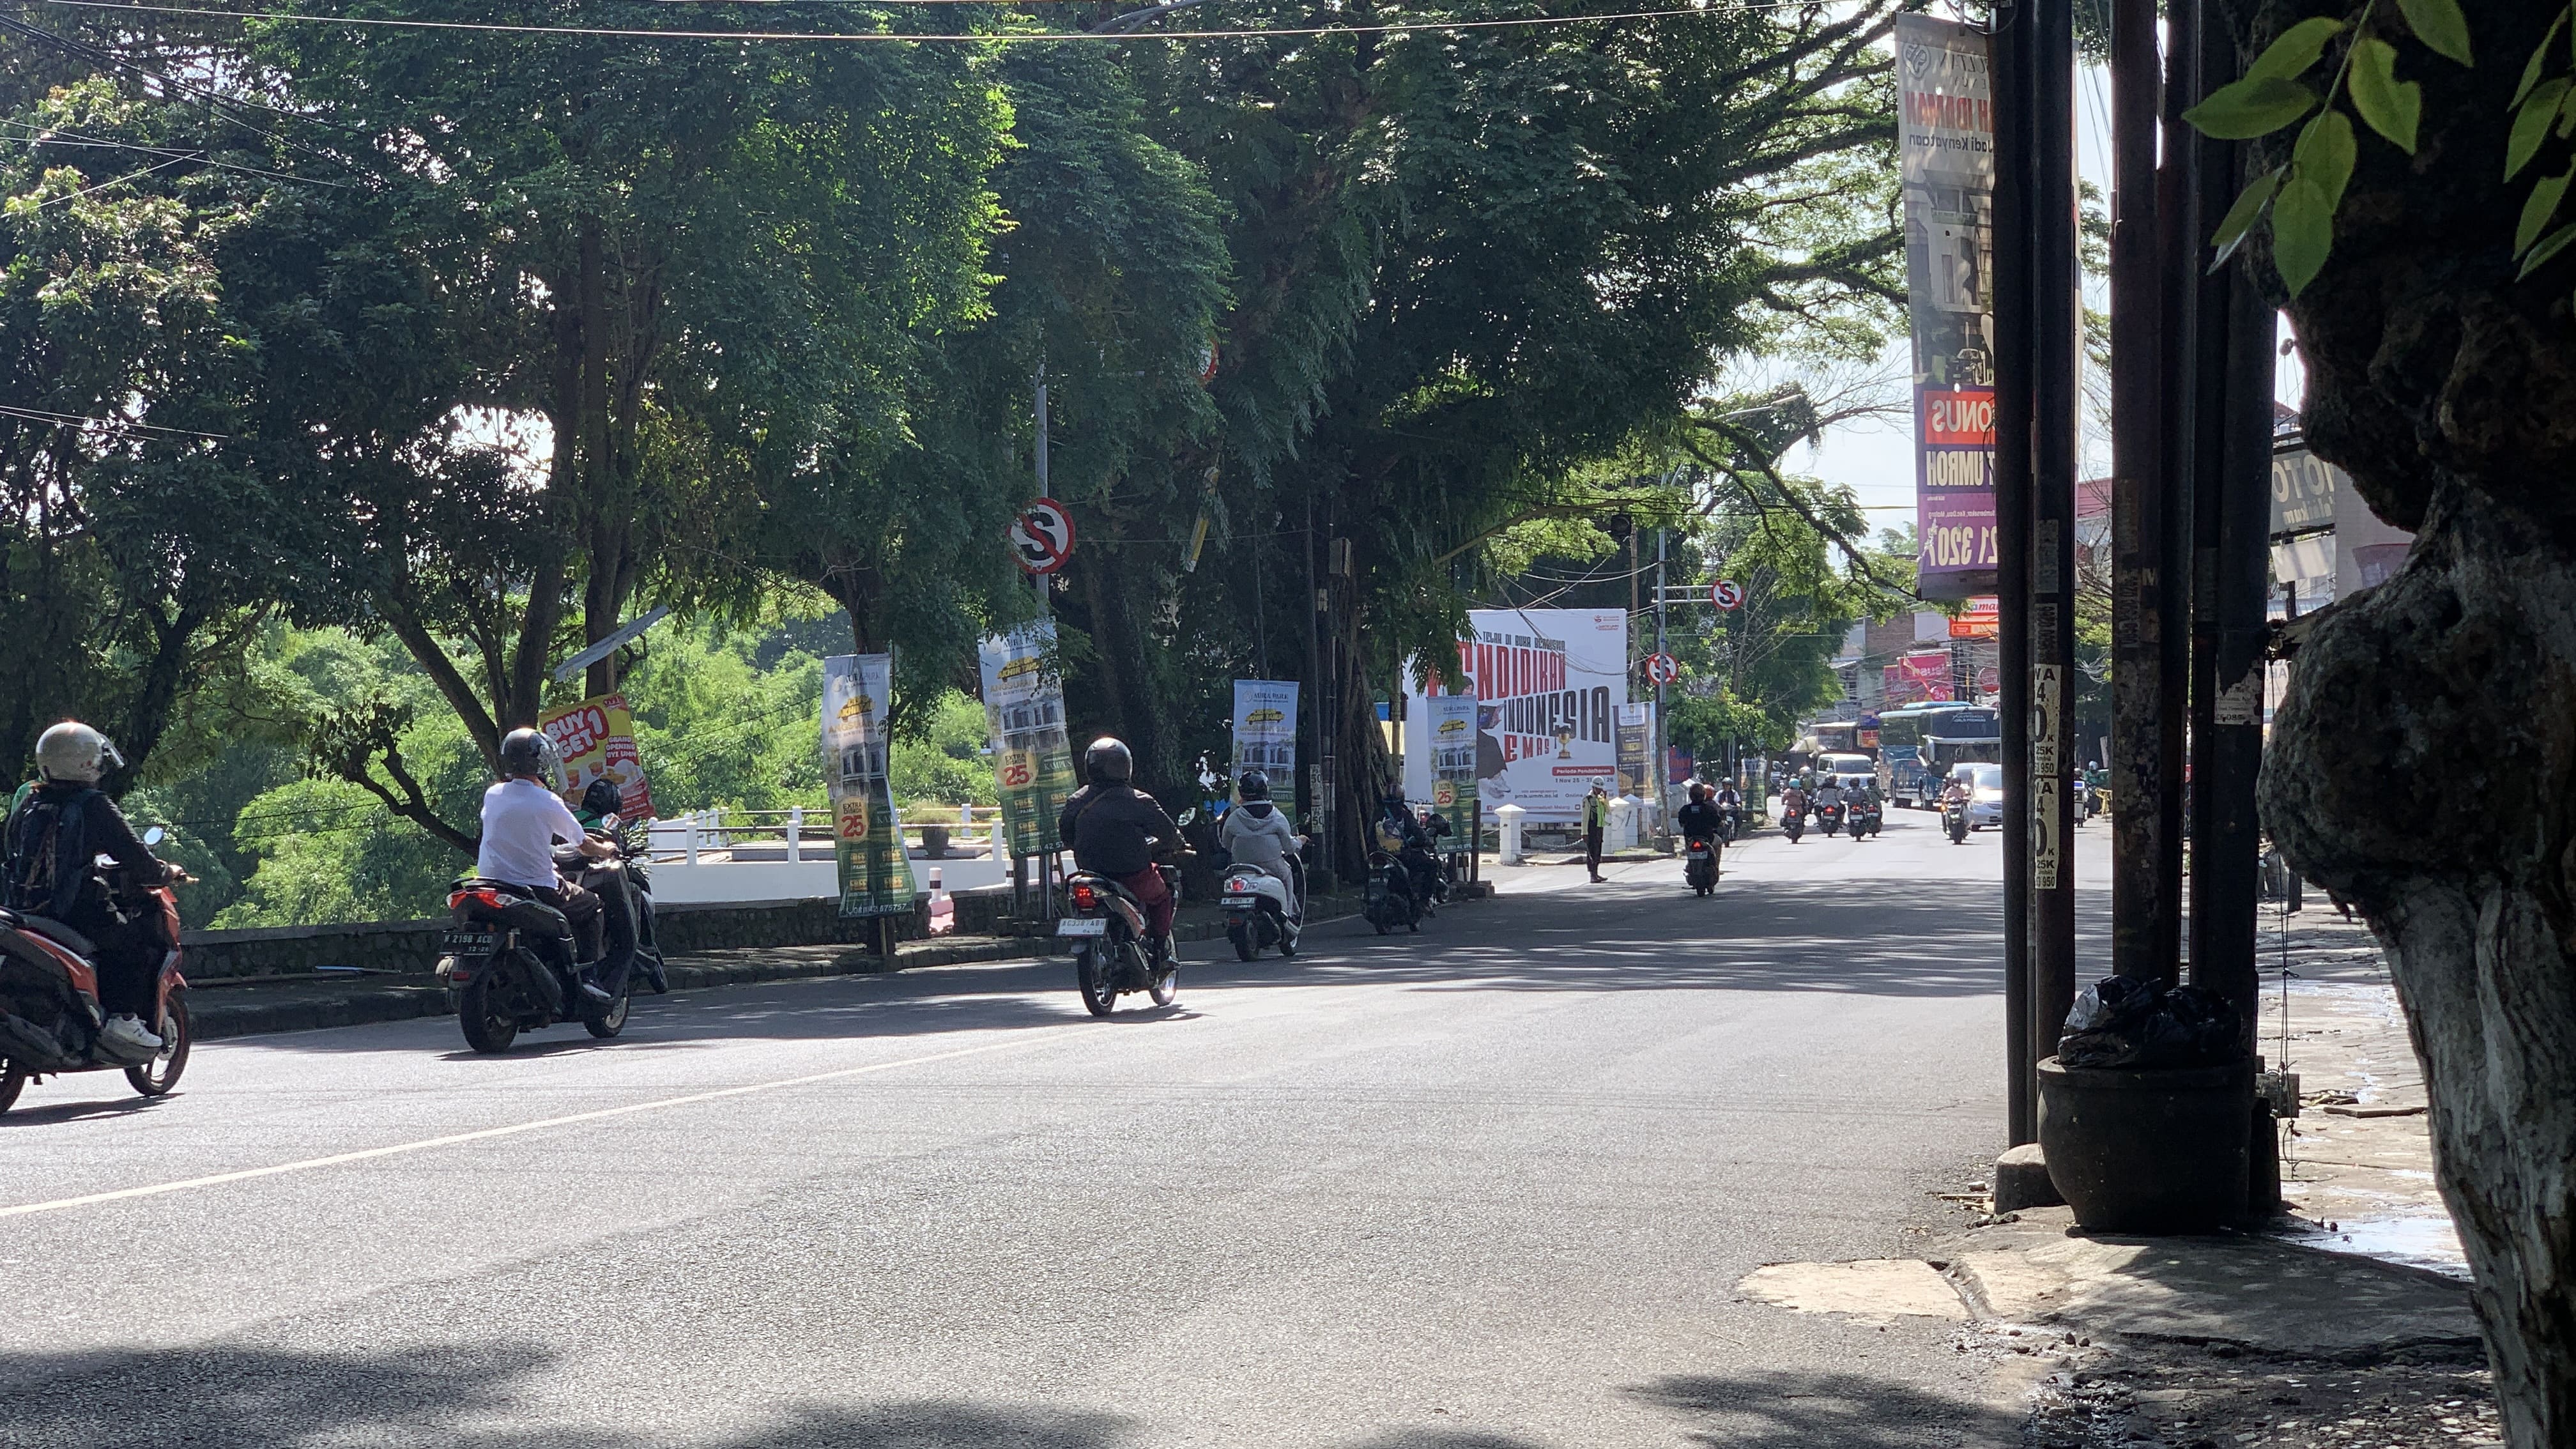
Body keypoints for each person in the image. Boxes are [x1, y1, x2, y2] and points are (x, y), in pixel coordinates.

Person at [3, 722, 183, 1057]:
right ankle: (123, 1019)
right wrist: (165, 872)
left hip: (21, 908)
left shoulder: (28, 802)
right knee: (134, 944)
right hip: (72, 911)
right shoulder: (93, 805)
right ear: (88, 763)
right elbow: (138, 860)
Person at [479, 729, 616, 999]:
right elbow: (583, 844)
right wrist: (606, 850)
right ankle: (589, 975)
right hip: (536, 888)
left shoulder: (493, 794)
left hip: (491, 885)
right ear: (538, 762)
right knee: (593, 904)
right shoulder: (547, 800)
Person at [1058, 737, 1184, 963]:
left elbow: (1067, 837)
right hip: (1133, 876)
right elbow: (1168, 833)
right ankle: (1159, 948)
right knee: (1163, 896)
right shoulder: (1139, 801)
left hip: (1090, 874)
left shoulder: (1075, 800)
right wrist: (1178, 843)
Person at [1217, 769, 1303, 917]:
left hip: (1242, 866)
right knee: (1287, 876)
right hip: (1273, 866)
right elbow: (1289, 848)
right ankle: (1288, 914)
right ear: (1265, 789)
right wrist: (1300, 842)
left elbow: (1226, 843)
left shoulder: (1234, 818)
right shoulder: (1277, 817)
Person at [1582, 781, 1611, 882]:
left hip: (1599, 828)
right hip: (1591, 829)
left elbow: (1608, 810)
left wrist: (1605, 798)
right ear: (1593, 788)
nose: (1600, 790)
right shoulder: (1588, 800)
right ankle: (1592, 875)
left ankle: (1596, 873)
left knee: (1598, 852)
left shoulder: (1600, 799)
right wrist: (1584, 832)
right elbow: (1585, 818)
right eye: (1598, 789)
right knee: (1592, 853)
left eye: (1601, 789)